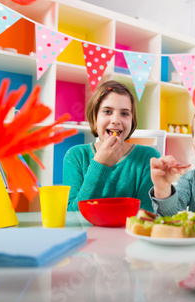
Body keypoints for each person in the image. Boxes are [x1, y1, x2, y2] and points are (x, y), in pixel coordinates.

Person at [63, 80, 159, 212]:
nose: (116, 120)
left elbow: (145, 214)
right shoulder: (76, 156)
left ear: (132, 120)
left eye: (125, 113)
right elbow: (73, 215)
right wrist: (100, 165)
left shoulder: (148, 157)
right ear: (95, 117)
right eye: (107, 111)